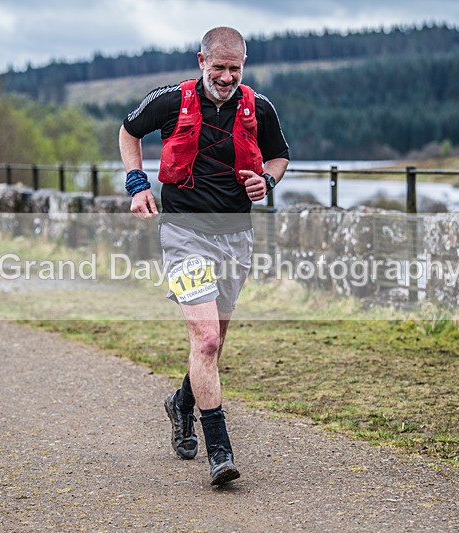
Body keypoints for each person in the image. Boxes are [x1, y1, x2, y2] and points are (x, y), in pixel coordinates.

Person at [118, 26, 289, 486]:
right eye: (219, 68)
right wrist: (137, 185)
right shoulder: (171, 100)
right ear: (201, 61)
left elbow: (279, 157)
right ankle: (220, 452)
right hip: (184, 234)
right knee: (208, 339)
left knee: (214, 343)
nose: (228, 77)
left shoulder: (259, 106)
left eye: (236, 68)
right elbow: (128, 131)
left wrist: (267, 182)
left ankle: (182, 402)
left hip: (235, 236)